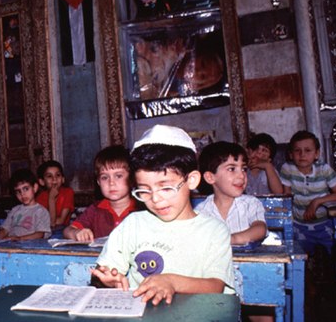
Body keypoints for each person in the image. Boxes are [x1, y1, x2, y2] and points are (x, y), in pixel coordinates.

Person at [91, 125, 235, 306]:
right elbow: (104, 271)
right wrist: (106, 281)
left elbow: (215, 285)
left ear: (191, 180)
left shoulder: (214, 230)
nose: (155, 199)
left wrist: (171, 282)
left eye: (166, 188)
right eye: (144, 190)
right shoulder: (133, 224)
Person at [195, 141, 272, 322]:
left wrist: (231, 238)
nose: (241, 175)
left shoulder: (250, 203)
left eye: (243, 169)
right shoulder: (201, 211)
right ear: (210, 177)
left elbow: (259, 229)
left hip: (251, 275)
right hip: (218, 278)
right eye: (232, 168)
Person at [280, 130, 336, 256]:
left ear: (316, 154)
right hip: (298, 225)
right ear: (291, 154)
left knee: (332, 256)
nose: (302, 155)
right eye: (297, 151)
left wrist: (317, 201)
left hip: (324, 224)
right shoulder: (287, 169)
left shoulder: (324, 169)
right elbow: (286, 196)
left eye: (308, 150)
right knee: (300, 261)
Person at [63, 145, 138, 241]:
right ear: (98, 182)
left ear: (132, 179)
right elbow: (67, 230)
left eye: (118, 176)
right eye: (104, 177)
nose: (111, 183)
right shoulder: (95, 210)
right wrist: (76, 233)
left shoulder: (141, 209)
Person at [0, 168, 51, 240]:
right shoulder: (14, 210)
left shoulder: (41, 211)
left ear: (35, 187)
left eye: (26, 189)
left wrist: (19, 238)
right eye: (18, 191)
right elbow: (4, 230)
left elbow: (39, 234)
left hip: (29, 246)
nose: (22, 194)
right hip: (11, 244)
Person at [36, 160, 75, 229]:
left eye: (58, 175)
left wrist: (51, 199)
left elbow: (58, 222)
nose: (54, 179)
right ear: (42, 182)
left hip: (62, 230)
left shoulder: (68, 193)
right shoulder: (40, 198)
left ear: (63, 179)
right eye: (49, 176)